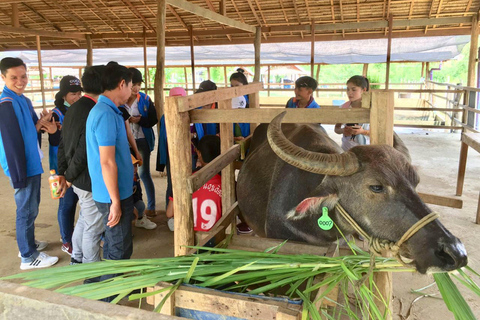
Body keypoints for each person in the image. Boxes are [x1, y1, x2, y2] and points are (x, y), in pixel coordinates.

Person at [0, 57, 59, 270]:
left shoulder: (22, 100)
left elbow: (29, 131)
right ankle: (27, 257)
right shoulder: (5, 104)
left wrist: (41, 123)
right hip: (21, 165)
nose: (20, 81)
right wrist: (18, 173)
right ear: (3, 77)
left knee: (31, 207)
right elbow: (10, 142)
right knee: (25, 208)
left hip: (31, 161)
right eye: (13, 77)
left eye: (23, 76)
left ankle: (28, 243)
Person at [57, 65, 107, 265]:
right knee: (94, 228)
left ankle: (77, 258)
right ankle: (91, 267)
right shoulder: (94, 110)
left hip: (77, 177)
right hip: (87, 178)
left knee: (85, 220)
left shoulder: (74, 107)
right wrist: (68, 175)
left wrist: (65, 172)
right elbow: (84, 150)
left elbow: (62, 144)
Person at [86, 61, 134, 267]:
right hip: (113, 194)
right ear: (121, 84)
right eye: (131, 87)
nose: (131, 91)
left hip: (116, 191)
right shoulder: (105, 114)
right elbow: (106, 162)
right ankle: (109, 297)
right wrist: (115, 201)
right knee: (117, 249)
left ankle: (113, 290)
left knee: (121, 244)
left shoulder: (110, 110)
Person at [49, 75, 83, 256]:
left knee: (83, 202)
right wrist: (55, 132)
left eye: (78, 93)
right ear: (63, 95)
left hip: (77, 165)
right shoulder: (57, 114)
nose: (76, 97)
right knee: (67, 203)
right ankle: (67, 240)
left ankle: (82, 236)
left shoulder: (81, 109)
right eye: (72, 94)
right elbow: (54, 141)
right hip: (62, 168)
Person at [120, 68, 158, 218]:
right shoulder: (120, 101)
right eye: (133, 84)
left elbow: (153, 119)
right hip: (124, 143)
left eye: (138, 84)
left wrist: (140, 120)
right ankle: (132, 207)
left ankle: (152, 206)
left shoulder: (145, 99)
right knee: (128, 175)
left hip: (142, 140)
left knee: (144, 173)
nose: (136, 88)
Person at [166, 135, 221, 232]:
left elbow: (169, 213)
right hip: (215, 240)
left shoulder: (185, 180)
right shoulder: (224, 181)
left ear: (199, 153)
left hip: (190, 236)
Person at [157, 87, 186, 212]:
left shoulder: (190, 113)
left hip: (188, 154)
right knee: (172, 182)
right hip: (172, 155)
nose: (177, 101)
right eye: (174, 98)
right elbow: (164, 139)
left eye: (180, 97)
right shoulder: (166, 117)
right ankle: (171, 212)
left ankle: (185, 209)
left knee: (187, 181)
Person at [334, 75, 370, 151]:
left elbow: (380, 133)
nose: (349, 93)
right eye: (347, 89)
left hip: (367, 151)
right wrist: (343, 130)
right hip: (346, 150)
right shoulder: (343, 107)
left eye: (354, 90)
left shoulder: (371, 109)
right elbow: (336, 129)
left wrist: (363, 131)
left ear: (363, 90)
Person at [131, 154, 157, 229]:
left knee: (140, 205)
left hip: (130, 203)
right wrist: (131, 208)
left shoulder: (135, 177)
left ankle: (140, 220)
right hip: (121, 205)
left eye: (135, 166)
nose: (135, 169)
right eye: (132, 166)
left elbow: (138, 193)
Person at [230, 68, 250, 141]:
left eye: (237, 85)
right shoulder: (230, 100)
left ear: (244, 85)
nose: (234, 88)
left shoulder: (249, 102)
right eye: (232, 86)